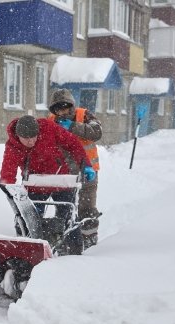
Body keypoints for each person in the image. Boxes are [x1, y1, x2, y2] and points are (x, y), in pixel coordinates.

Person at [0, 114, 95, 225]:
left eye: (33, 137)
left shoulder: (48, 128)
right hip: (35, 185)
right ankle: (29, 239)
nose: (31, 142)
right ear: (18, 136)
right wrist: (8, 186)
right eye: (26, 139)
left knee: (68, 218)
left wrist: (86, 165)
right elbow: (8, 168)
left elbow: (73, 143)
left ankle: (71, 240)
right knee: (30, 219)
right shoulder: (13, 146)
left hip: (61, 180)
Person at [47, 88, 103, 249]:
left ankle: (89, 239)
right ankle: (64, 239)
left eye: (65, 107)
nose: (62, 111)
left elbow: (96, 132)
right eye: (58, 108)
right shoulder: (51, 121)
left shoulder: (84, 115)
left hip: (87, 171)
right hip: (63, 173)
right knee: (64, 206)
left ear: (71, 106)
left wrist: (73, 126)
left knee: (86, 206)